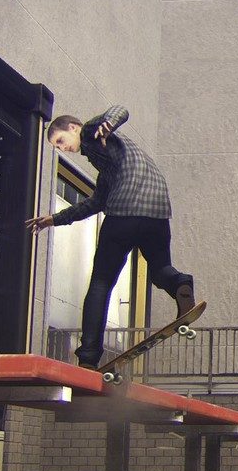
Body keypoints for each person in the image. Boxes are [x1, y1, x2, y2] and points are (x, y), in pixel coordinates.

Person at [26, 105, 195, 368]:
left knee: (101, 283)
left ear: (73, 128)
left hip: (124, 215)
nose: (61, 148)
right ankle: (181, 284)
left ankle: (89, 357)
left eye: (60, 141)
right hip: (157, 213)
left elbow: (120, 110)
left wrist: (108, 122)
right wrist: (54, 219)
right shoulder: (109, 167)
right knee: (161, 271)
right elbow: (94, 203)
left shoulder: (91, 134)